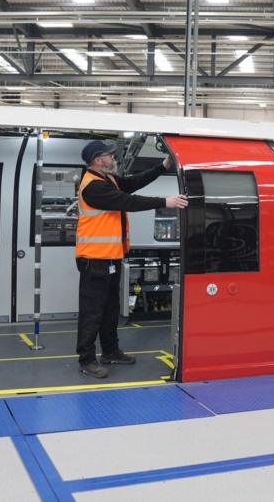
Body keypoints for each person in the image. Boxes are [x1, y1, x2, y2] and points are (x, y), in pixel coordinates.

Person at [75, 140, 188, 378]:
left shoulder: (109, 180)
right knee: (92, 313)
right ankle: (86, 360)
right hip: (94, 261)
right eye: (110, 155)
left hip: (111, 259)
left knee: (110, 310)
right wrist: (164, 202)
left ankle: (110, 351)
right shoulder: (92, 187)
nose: (114, 158)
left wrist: (163, 166)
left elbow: (134, 183)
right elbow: (128, 201)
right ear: (98, 160)